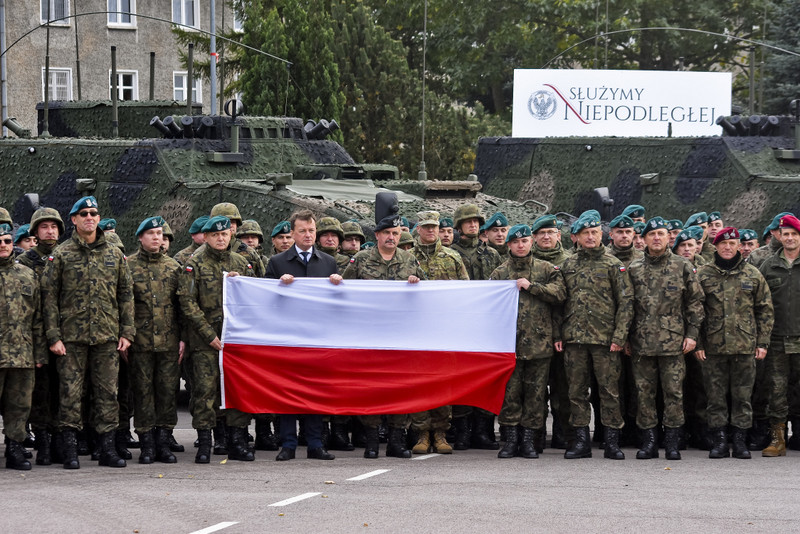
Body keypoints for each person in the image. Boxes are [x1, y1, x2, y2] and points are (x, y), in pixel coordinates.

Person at [42, 196, 135, 469]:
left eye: (93, 213)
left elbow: (126, 294)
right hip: (71, 338)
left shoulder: (115, 254)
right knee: (70, 393)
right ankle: (70, 449)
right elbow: (49, 298)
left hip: (107, 337)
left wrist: (127, 332)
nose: (89, 217)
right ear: (73, 219)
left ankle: (107, 449)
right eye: (83, 213)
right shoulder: (61, 254)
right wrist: (53, 336)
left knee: (108, 393)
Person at [343, 193, 425, 459]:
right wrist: (334, 280)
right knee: (371, 388)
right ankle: (370, 441)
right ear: (377, 235)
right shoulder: (361, 260)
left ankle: (396, 441)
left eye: (396, 233)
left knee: (400, 387)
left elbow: (426, 297)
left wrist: (417, 283)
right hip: (369, 335)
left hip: (401, 335)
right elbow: (343, 289)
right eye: (387, 233)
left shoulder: (410, 261)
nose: (392, 237)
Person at [177, 215, 255, 464]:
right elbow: (187, 303)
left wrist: (239, 283)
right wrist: (208, 334)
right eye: (215, 235)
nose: (221, 238)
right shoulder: (195, 264)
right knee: (204, 392)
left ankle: (236, 442)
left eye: (225, 234)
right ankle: (206, 443)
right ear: (207, 237)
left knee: (234, 389)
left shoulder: (241, 262)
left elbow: (255, 296)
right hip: (205, 343)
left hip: (235, 342)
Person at [265, 210, 340, 462]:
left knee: (314, 391)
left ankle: (315, 444)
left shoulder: (328, 263)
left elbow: (336, 303)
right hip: (288, 337)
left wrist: (338, 284)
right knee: (287, 391)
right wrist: (278, 285)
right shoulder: (278, 263)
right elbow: (264, 299)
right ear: (293, 233)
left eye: (311, 231)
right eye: (303, 231)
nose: (308, 235)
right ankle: (287, 444)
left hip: (317, 337)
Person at [627, 217, 704, 460]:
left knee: (674, 393)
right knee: (644, 393)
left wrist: (692, 336)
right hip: (642, 343)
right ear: (645, 239)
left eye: (661, 233)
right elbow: (627, 307)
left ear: (669, 237)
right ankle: (649, 441)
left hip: (674, 344)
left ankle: (672, 441)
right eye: (652, 234)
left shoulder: (682, 266)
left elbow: (695, 303)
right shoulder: (634, 268)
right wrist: (625, 338)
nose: (657, 238)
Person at [556, 214, 633, 459]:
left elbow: (626, 303)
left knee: (609, 391)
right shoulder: (568, 265)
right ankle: (581, 441)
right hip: (575, 340)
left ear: (602, 235)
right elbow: (559, 303)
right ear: (575, 237)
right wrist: (559, 334)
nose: (590, 237)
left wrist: (619, 337)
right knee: (576, 392)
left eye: (595, 232)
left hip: (605, 341)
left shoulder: (613, 265)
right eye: (585, 233)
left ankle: (612, 441)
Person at [696, 227, 774, 459]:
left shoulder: (752, 274)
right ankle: (719, 441)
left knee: (743, 396)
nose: (728, 248)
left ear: (739, 246)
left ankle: (740, 441)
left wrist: (763, 342)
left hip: (745, 346)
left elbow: (765, 310)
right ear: (716, 246)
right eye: (723, 244)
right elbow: (694, 311)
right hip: (713, 347)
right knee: (715, 397)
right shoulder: (703, 274)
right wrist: (698, 343)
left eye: (732, 244)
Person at [492, 224, 565, 458]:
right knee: (510, 395)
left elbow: (559, 294)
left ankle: (529, 442)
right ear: (509, 245)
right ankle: (510, 440)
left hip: (539, 344)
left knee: (536, 396)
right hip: (509, 345)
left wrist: (532, 287)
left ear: (531, 242)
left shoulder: (546, 269)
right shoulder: (500, 273)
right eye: (516, 242)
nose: (521, 245)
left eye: (524, 241)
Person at [408, 210, 468, 455]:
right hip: (416, 330)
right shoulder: (407, 258)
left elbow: (466, 293)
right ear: (418, 230)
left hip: (444, 330)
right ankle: (422, 432)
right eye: (426, 227)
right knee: (420, 383)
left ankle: (441, 432)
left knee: (443, 382)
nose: (431, 231)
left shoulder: (453, 257)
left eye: (435, 226)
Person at [126, 216, 183, 464]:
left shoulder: (174, 267)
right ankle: (147, 443)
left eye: (159, 233)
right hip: (140, 343)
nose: (156, 237)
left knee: (167, 393)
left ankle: (163, 441)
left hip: (169, 342)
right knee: (143, 393)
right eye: (150, 233)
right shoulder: (127, 266)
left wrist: (183, 339)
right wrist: (126, 336)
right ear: (140, 237)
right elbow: (123, 305)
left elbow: (182, 306)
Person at [450, 203, 502, 450]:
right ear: (459, 226)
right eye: (468, 221)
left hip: (487, 325)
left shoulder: (491, 254)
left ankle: (483, 431)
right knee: (461, 379)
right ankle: (461, 431)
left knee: (486, 378)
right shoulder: (451, 254)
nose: (473, 225)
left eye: (476, 221)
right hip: (460, 325)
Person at [18, 207, 64, 465]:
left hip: (65, 336)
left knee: (64, 391)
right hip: (37, 337)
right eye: (45, 227)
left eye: (54, 226)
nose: (50, 231)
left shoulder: (66, 256)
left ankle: (61, 441)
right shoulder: (25, 262)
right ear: (35, 231)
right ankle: (43, 443)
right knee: (40, 393)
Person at [0, 223, 45, 470]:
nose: (3, 245)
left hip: (21, 354)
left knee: (19, 405)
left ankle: (15, 448)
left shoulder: (27, 275)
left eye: (7, 241)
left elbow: (37, 319)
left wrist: (38, 352)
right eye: (0, 241)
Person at [759, 214, 800, 457]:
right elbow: (761, 304)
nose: (790, 238)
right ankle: (777, 439)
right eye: (786, 234)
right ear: (779, 236)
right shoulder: (768, 265)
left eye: (794, 234)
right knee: (776, 390)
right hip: (777, 339)